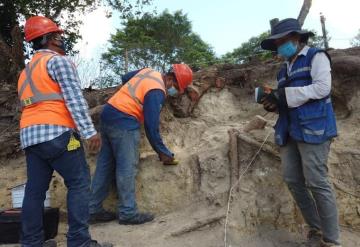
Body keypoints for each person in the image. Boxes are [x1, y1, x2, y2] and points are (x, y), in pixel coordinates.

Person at [18, 16, 111, 247]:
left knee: (34, 192)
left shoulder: (25, 72)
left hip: (30, 137)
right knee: (79, 183)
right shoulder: (58, 62)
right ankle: (79, 242)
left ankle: (32, 243)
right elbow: (74, 100)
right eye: (58, 35)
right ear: (47, 39)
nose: (61, 39)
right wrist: (89, 131)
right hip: (58, 132)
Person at [258, 18, 341, 247]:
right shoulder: (284, 68)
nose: (279, 46)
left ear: (297, 37)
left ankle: (332, 240)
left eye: (282, 41)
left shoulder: (317, 57)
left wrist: (283, 96)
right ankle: (315, 230)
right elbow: (287, 101)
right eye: (276, 43)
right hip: (289, 129)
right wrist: (273, 103)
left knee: (317, 181)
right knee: (293, 180)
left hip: (315, 128)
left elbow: (323, 88)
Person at [88, 65, 193, 225]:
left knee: (105, 165)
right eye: (177, 87)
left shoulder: (149, 72)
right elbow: (151, 127)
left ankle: (92, 209)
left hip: (109, 113)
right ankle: (128, 213)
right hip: (124, 120)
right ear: (170, 79)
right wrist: (163, 153)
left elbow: (125, 78)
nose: (176, 92)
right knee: (127, 167)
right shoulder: (157, 90)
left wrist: (129, 97)